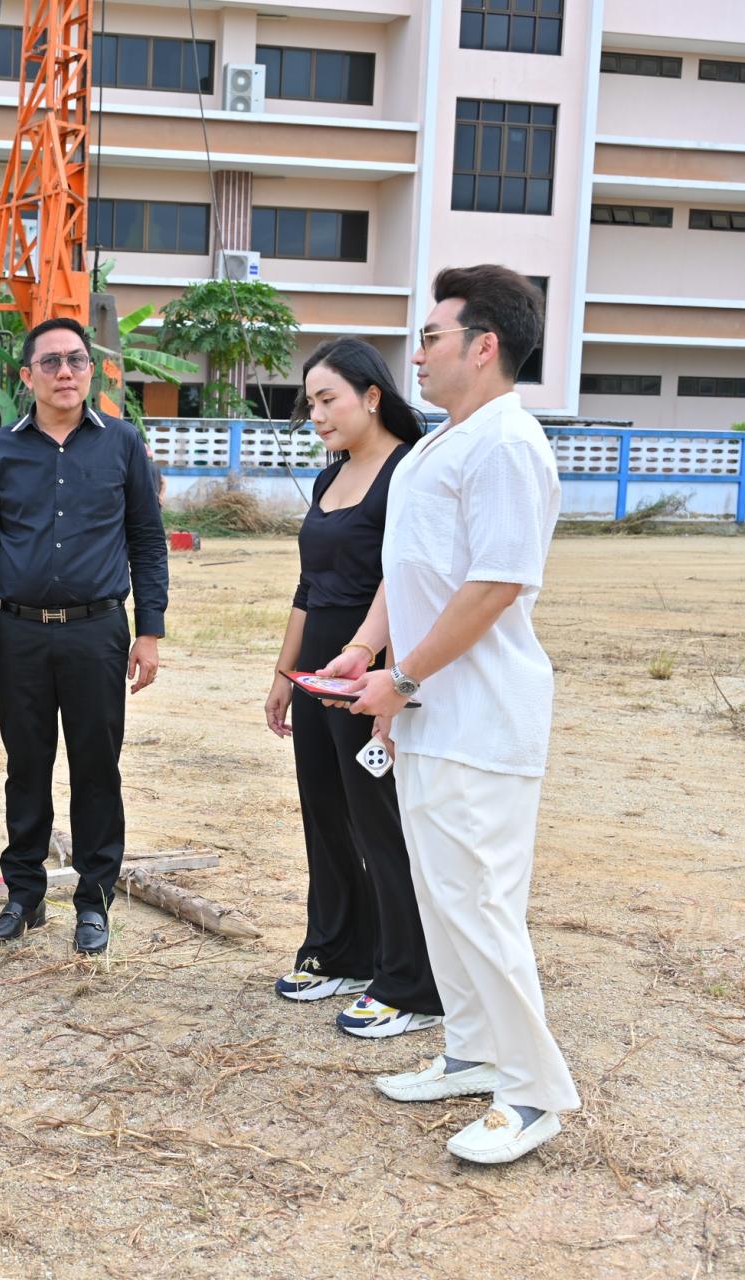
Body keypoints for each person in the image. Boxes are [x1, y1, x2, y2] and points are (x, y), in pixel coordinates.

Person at [320, 264, 578, 1165]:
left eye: (431, 337)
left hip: (480, 719)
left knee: (483, 905)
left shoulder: (507, 443)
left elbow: (498, 582)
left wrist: (407, 677)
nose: (417, 355)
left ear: (485, 345)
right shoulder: (438, 445)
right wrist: (366, 651)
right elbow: (413, 568)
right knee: (443, 900)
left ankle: (535, 1093)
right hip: (428, 713)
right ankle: (471, 1051)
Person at [0, 317, 168, 956]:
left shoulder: (122, 443)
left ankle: (94, 901)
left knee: (96, 769)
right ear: (28, 377)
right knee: (26, 768)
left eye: (76, 360)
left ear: (91, 370)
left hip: (98, 631)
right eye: (49, 363)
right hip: (19, 632)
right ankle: (24, 896)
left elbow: (147, 540)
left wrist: (149, 631)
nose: (65, 373)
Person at [264, 337, 441, 1040]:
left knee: (382, 823)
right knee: (325, 813)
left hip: (373, 669)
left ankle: (411, 980)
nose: (317, 415)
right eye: (310, 403)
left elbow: (414, 585)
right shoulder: (329, 476)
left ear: (372, 394)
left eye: (327, 399)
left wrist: (391, 687)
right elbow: (308, 588)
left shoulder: (409, 473)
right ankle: (341, 948)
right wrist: (284, 677)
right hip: (319, 670)